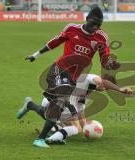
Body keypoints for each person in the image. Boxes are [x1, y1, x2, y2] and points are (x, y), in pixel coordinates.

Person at [20, 7, 120, 148]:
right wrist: (36, 55)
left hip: (73, 77)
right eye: (93, 24)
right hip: (59, 70)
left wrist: (111, 64)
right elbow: (55, 42)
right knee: (61, 102)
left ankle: (30, 105)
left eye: (98, 25)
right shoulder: (72, 28)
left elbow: (105, 60)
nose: (95, 28)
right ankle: (40, 139)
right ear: (86, 19)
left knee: (53, 109)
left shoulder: (101, 37)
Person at [17, 74, 133, 145]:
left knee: (57, 119)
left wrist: (86, 125)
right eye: (106, 87)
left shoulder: (88, 91)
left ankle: (30, 105)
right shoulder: (90, 78)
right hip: (59, 101)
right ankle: (52, 138)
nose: (104, 89)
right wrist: (120, 89)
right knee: (76, 128)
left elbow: (80, 110)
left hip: (53, 101)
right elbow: (100, 81)